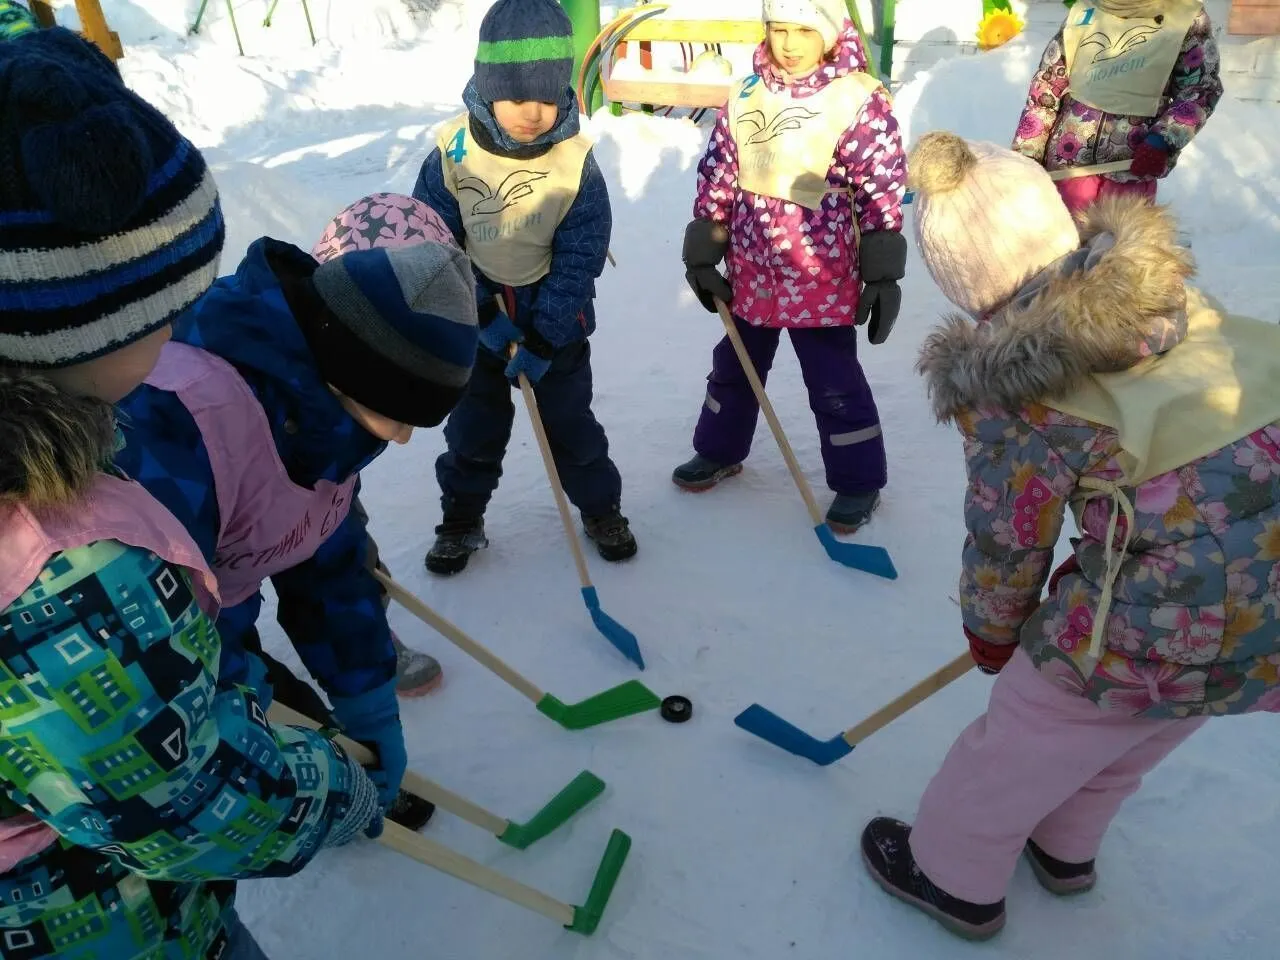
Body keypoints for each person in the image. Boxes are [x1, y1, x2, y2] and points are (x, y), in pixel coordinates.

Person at [0, 28, 381, 958]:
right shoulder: (70, 570)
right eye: (163, 308)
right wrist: (334, 787)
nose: (181, 327)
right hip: (84, 918)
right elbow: (180, 802)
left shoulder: (83, 457)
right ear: (79, 327)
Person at [861, 131, 1280, 940]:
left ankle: (950, 877)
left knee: (1023, 739)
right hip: (1266, 619)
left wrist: (992, 632)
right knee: (1135, 728)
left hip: (1158, 621)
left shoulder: (1020, 396)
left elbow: (1008, 537)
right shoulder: (1171, 303)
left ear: (968, 287)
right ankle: (1064, 846)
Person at [115, 197, 479, 832]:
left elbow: (323, 555)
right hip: (151, 668)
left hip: (221, 608)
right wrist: (250, 743)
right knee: (259, 724)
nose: (401, 440)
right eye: (399, 411)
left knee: (302, 718)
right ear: (354, 371)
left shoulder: (327, 409)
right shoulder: (175, 426)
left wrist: (366, 696)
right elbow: (155, 656)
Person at [413, 0, 636, 575]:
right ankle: (461, 519)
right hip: (475, 323)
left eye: (546, 95)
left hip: (553, 324)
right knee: (473, 430)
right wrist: (480, 312)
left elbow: (582, 249)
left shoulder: (572, 161)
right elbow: (433, 242)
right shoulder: (453, 152)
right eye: (516, 97)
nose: (532, 113)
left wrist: (545, 334)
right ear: (487, 88)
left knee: (571, 424)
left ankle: (600, 507)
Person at [674, 0, 907, 532]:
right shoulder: (746, 93)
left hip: (821, 270)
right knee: (735, 365)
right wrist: (705, 247)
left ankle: (857, 480)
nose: (789, 42)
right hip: (753, 265)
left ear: (829, 32)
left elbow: (880, 188)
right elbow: (720, 174)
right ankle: (719, 449)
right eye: (779, 28)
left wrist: (883, 271)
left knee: (833, 380)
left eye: (804, 28)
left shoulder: (856, 99)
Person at [309, 192, 468, 697]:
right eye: (397, 407)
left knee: (343, 546)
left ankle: (369, 640)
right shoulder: (236, 402)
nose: (402, 440)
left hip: (317, 476)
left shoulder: (342, 393)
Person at [1011, 0, 1222, 217]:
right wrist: (1027, 156)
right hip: (1067, 169)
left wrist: (1163, 139)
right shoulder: (1085, 11)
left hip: (1130, 172)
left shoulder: (1186, 17)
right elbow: (1046, 87)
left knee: (1118, 249)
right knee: (1062, 247)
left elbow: (1200, 89)